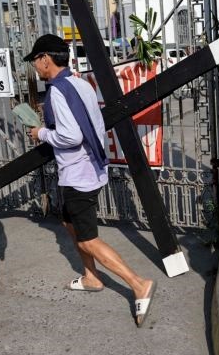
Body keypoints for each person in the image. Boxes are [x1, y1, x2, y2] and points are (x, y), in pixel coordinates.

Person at [24, 34, 157, 327]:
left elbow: (72, 136)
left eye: (35, 60)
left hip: (77, 173)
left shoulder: (58, 91)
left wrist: (41, 134)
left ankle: (138, 284)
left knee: (88, 238)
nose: (35, 66)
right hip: (89, 169)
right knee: (70, 224)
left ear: (45, 59)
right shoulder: (80, 83)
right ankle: (92, 277)